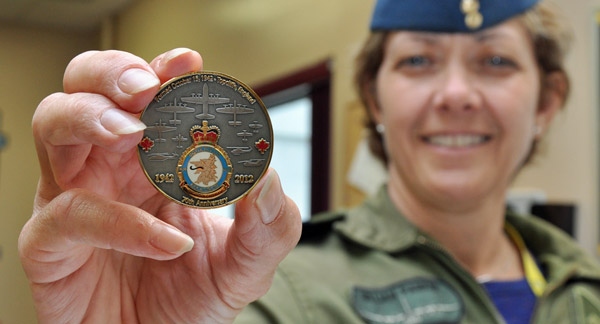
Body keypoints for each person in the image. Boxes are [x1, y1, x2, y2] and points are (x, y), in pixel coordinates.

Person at [19, 0, 600, 324]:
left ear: (546, 102)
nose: (454, 94)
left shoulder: (585, 287)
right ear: (373, 100)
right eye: (418, 61)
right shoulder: (267, 290)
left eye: (495, 62)